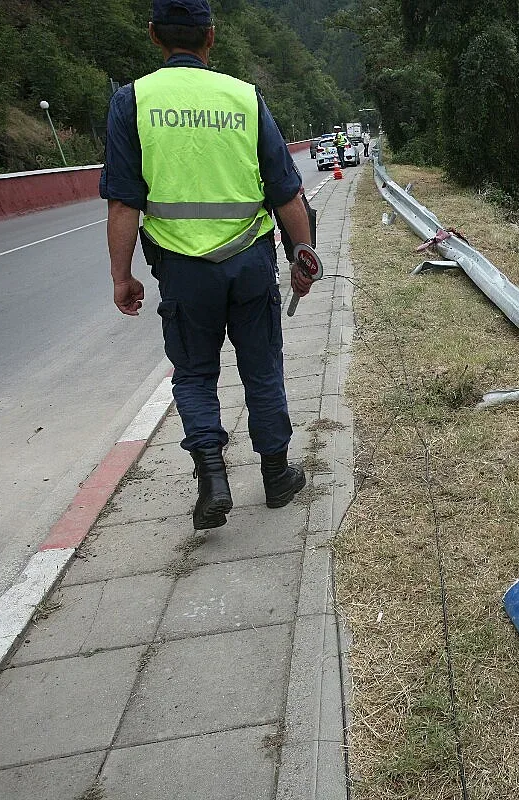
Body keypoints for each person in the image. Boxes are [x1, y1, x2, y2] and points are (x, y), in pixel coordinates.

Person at [101, 0, 316, 530]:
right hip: (248, 261)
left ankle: (213, 477)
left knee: (195, 375)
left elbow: (124, 204)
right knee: (262, 369)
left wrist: (121, 276)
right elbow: (287, 192)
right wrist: (302, 254)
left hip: (181, 269)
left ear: (154, 36)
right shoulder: (244, 98)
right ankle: (276, 477)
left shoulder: (132, 101)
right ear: (211, 38)